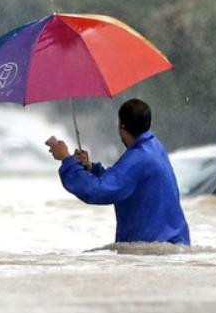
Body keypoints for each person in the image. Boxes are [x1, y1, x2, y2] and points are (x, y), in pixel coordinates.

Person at [45, 99, 190, 246]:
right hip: (173, 245)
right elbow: (122, 181)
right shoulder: (154, 146)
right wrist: (90, 168)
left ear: (121, 125)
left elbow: (97, 191)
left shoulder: (138, 158)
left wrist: (66, 160)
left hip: (154, 252)